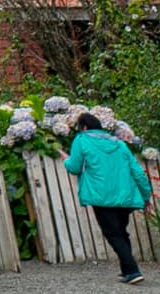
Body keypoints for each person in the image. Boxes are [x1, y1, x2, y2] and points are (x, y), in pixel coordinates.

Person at [64, 111, 151, 283]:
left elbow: (74, 167)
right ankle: (127, 270)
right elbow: (138, 172)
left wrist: (66, 160)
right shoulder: (120, 144)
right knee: (121, 232)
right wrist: (146, 196)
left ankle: (133, 271)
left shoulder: (82, 140)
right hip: (124, 196)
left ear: (85, 127)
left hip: (100, 196)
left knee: (113, 234)